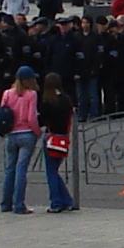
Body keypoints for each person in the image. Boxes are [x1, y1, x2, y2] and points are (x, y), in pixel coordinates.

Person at [0, 66, 42, 211]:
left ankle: (5, 204)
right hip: (26, 133)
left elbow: (3, 113)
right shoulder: (31, 94)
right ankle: (19, 204)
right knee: (21, 171)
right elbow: (31, 117)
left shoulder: (7, 94)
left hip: (11, 134)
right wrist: (37, 132)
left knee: (9, 170)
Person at [38, 71, 75, 211]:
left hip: (51, 136)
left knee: (51, 172)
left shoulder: (47, 101)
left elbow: (42, 120)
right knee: (55, 170)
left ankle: (56, 203)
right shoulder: (66, 100)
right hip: (63, 137)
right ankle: (67, 200)